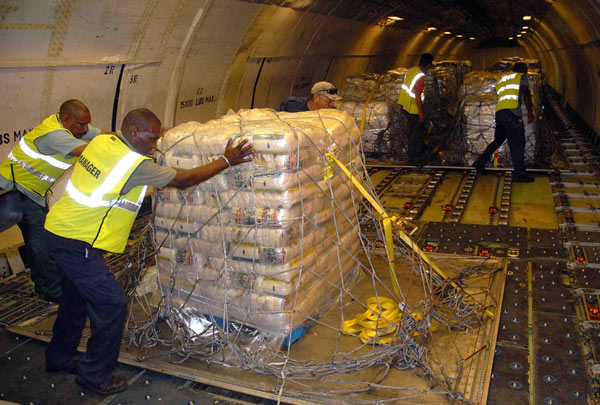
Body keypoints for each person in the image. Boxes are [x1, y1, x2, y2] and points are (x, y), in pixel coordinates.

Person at [43, 108, 253, 396]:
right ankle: (94, 377)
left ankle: (58, 359)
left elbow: (144, 146)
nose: (155, 143)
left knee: (75, 299)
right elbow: (183, 179)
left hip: (58, 229)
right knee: (111, 305)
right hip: (77, 242)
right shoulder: (133, 164)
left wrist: (161, 135)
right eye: (152, 138)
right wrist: (227, 160)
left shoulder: (104, 142)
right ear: (133, 133)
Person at [0, 99, 107, 302]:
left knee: (41, 239)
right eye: (81, 124)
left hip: (31, 193)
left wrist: (124, 138)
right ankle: (51, 290)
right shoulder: (54, 136)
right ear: (66, 119)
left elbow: (102, 136)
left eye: (86, 124)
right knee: (41, 242)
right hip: (17, 190)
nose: (85, 129)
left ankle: (45, 284)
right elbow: (88, 151)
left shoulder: (70, 125)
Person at [473, 62, 535, 183]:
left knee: (498, 140)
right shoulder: (520, 77)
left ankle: (479, 163)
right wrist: (530, 112)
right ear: (522, 70)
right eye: (526, 70)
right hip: (511, 114)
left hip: (500, 113)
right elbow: (526, 92)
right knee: (517, 142)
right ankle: (519, 174)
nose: (526, 73)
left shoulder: (503, 79)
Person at [398, 53, 434, 165]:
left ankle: (420, 149)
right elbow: (417, 95)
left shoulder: (411, 70)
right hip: (413, 108)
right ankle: (414, 158)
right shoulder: (421, 76)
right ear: (428, 65)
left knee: (413, 132)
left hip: (404, 105)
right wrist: (421, 112)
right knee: (416, 133)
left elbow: (406, 87)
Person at [276, 81, 342, 112]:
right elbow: (272, 116)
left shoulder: (332, 114)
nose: (332, 105)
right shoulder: (291, 105)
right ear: (316, 98)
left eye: (333, 101)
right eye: (329, 101)